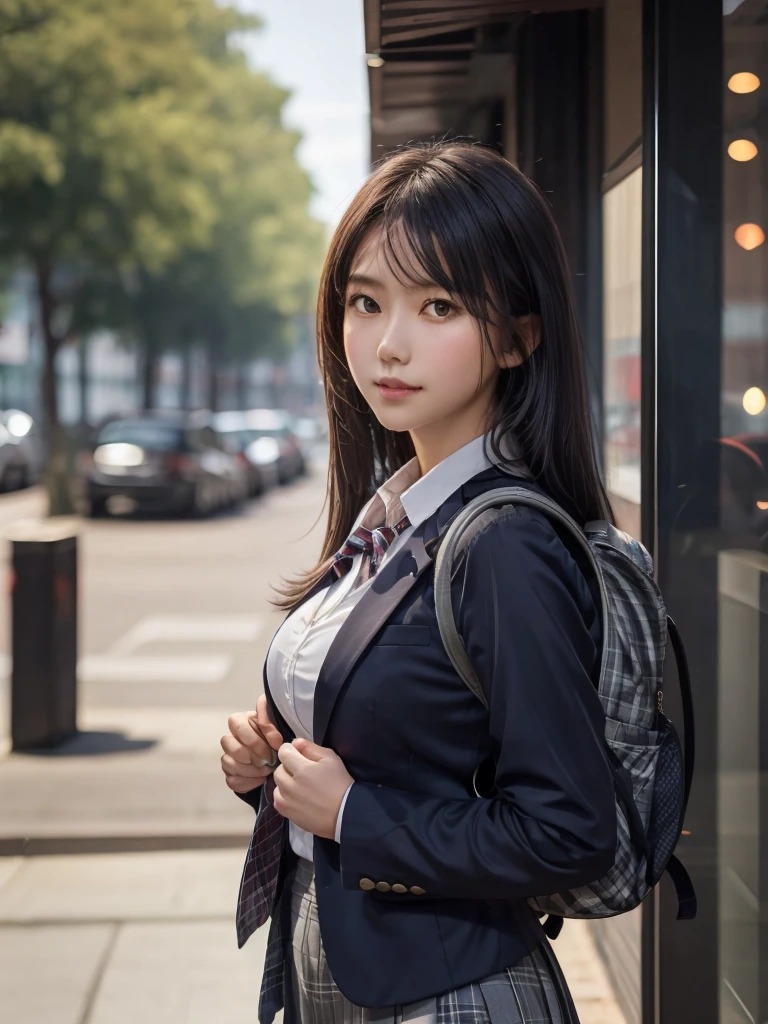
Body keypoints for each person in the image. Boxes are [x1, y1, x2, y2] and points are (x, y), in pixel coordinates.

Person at [221, 141, 618, 1024]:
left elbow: (568, 832)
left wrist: (355, 813)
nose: (388, 343)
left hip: (451, 996)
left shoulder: (502, 542)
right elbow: (420, 747)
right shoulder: (396, 516)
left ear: (520, 334)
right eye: (365, 301)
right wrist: (273, 765)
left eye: (438, 305)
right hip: (343, 968)